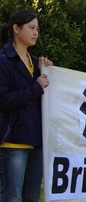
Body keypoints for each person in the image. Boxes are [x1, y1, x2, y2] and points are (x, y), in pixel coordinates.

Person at [0, 9, 53, 202]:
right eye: (31, 27)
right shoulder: (4, 61)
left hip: (37, 140)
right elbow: (3, 100)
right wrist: (36, 87)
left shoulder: (37, 63)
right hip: (13, 140)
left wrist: (49, 72)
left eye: (37, 28)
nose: (36, 32)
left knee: (31, 197)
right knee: (12, 197)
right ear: (16, 28)